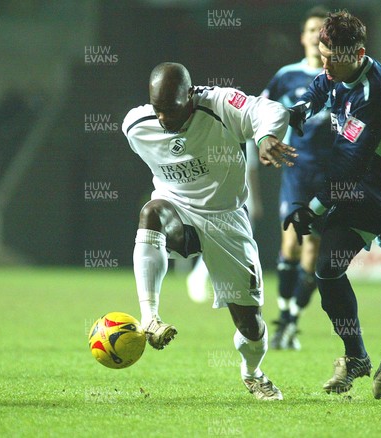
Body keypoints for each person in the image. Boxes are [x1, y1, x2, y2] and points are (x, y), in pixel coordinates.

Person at [284, 11, 381, 399]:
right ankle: (356, 357)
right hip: (366, 193)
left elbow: (349, 166)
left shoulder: (377, 94)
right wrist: (302, 108)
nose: (325, 64)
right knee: (327, 269)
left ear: (360, 53)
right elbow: (322, 85)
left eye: (333, 57)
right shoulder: (339, 72)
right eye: (323, 55)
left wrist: (311, 208)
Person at [122, 62, 296, 400]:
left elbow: (271, 110)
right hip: (178, 210)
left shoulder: (220, 104)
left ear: (190, 95)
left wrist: (265, 136)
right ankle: (150, 318)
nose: (162, 119)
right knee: (151, 213)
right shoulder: (136, 126)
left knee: (251, 327)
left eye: (171, 110)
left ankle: (252, 373)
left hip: (227, 219)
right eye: (157, 109)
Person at [259, 6, 334, 351]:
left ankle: (291, 322)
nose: (315, 35)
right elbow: (258, 112)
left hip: (331, 175)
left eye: (322, 30)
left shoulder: (341, 78)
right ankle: (284, 317)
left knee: (314, 251)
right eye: (310, 29)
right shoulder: (286, 76)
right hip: (296, 170)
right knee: (290, 242)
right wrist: (263, 142)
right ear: (303, 36)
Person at [186, 143, 263, 303]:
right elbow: (252, 172)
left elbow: (251, 171)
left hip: (241, 198)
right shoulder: (227, 134)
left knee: (234, 244)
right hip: (230, 198)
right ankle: (200, 278)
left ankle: (228, 285)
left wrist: (255, 200)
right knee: (224, 242)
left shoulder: (244, 139)